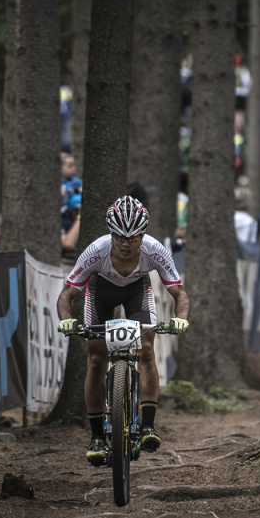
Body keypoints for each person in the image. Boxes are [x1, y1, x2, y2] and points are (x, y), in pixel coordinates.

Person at [55, 196, 191, 464]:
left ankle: (148, 426)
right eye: (119, 237)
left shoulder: (155, 250)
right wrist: (66, 319)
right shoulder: (96, 251)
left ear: (142, 235)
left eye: (133, 237)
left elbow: (179, 292)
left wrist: (181, 318)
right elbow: (67, 294)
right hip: (100, 292)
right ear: (111, 234)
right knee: (96, 360)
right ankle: (96, 437)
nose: (126, 243)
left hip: (137, 291)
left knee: (146, 350)